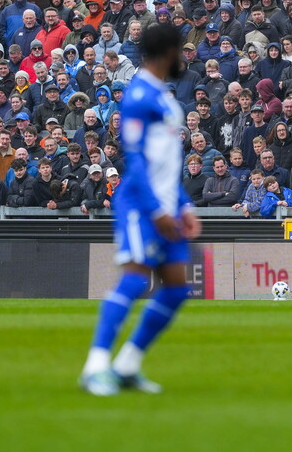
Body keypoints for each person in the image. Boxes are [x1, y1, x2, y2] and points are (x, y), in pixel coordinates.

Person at [80, 25, 201, 397]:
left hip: (166, 203)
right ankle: (95, 367)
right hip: (140, 205)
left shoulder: (163, 96)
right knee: (135, 280)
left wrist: (182, 204)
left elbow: (166, 161)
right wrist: (156, 210)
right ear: (166, 51)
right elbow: (135, 160)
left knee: (176, 289)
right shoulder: (137, 96)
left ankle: (127, 365)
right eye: (179, 50)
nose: (184, 56)